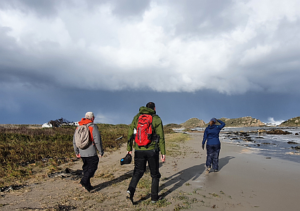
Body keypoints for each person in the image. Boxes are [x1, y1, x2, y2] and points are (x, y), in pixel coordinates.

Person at [126, 102, 166, 204]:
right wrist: (163, 152)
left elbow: (130, 133)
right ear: (154, 108)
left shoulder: (137, 117)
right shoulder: (156, 118)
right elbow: (161, 137)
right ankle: (154, 198)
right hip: (152, 150)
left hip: (139, 149)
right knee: (155, 174)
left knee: (138, 172)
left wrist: (129, 148)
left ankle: (130, 191)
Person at [73, 112, 104, 192]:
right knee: (93, 166)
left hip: (81, 151)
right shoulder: (93, 127)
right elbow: (97, 141)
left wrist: (77, 152)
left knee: (86, 168)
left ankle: (88, 185)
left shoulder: (79, 126)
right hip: (91, 151)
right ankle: (84, 181)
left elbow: (74, 141)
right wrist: (100, 151)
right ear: (92, 118)